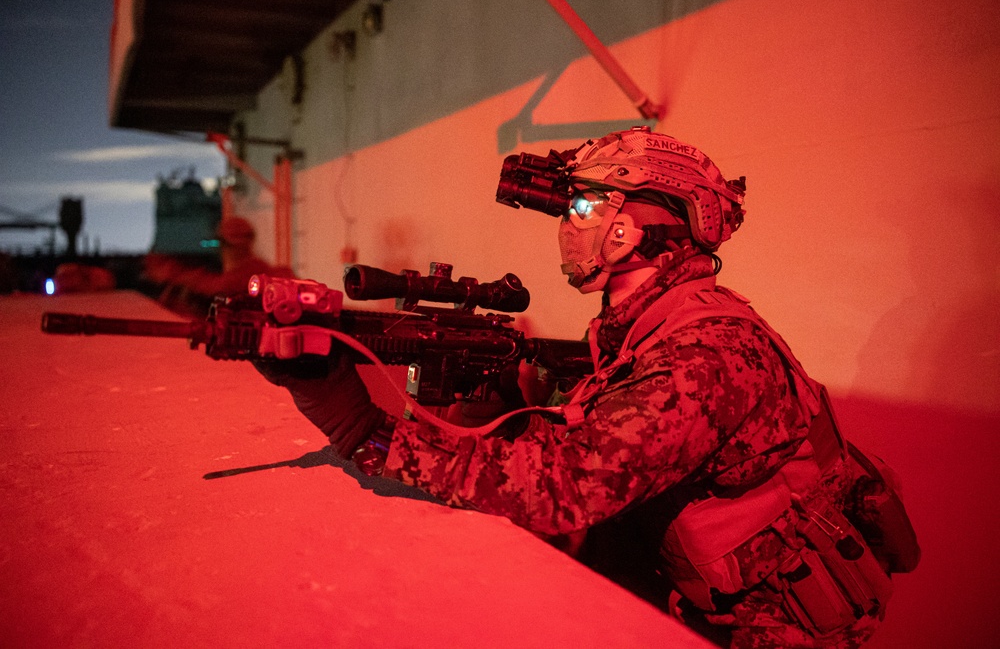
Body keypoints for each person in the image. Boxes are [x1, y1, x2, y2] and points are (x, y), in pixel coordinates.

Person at [256, 127, 917, 648]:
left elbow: (565, 486)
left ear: (632, 229)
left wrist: (360, 428)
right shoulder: (654, 321)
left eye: (581, 206)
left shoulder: (703, 354)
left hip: (770, 627)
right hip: (712, 597)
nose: (568, 227)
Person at [145, 216, 293, 316]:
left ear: (222, 244)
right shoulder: (262, 271)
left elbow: (218, 286)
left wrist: (175, 274)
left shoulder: (253, 273)